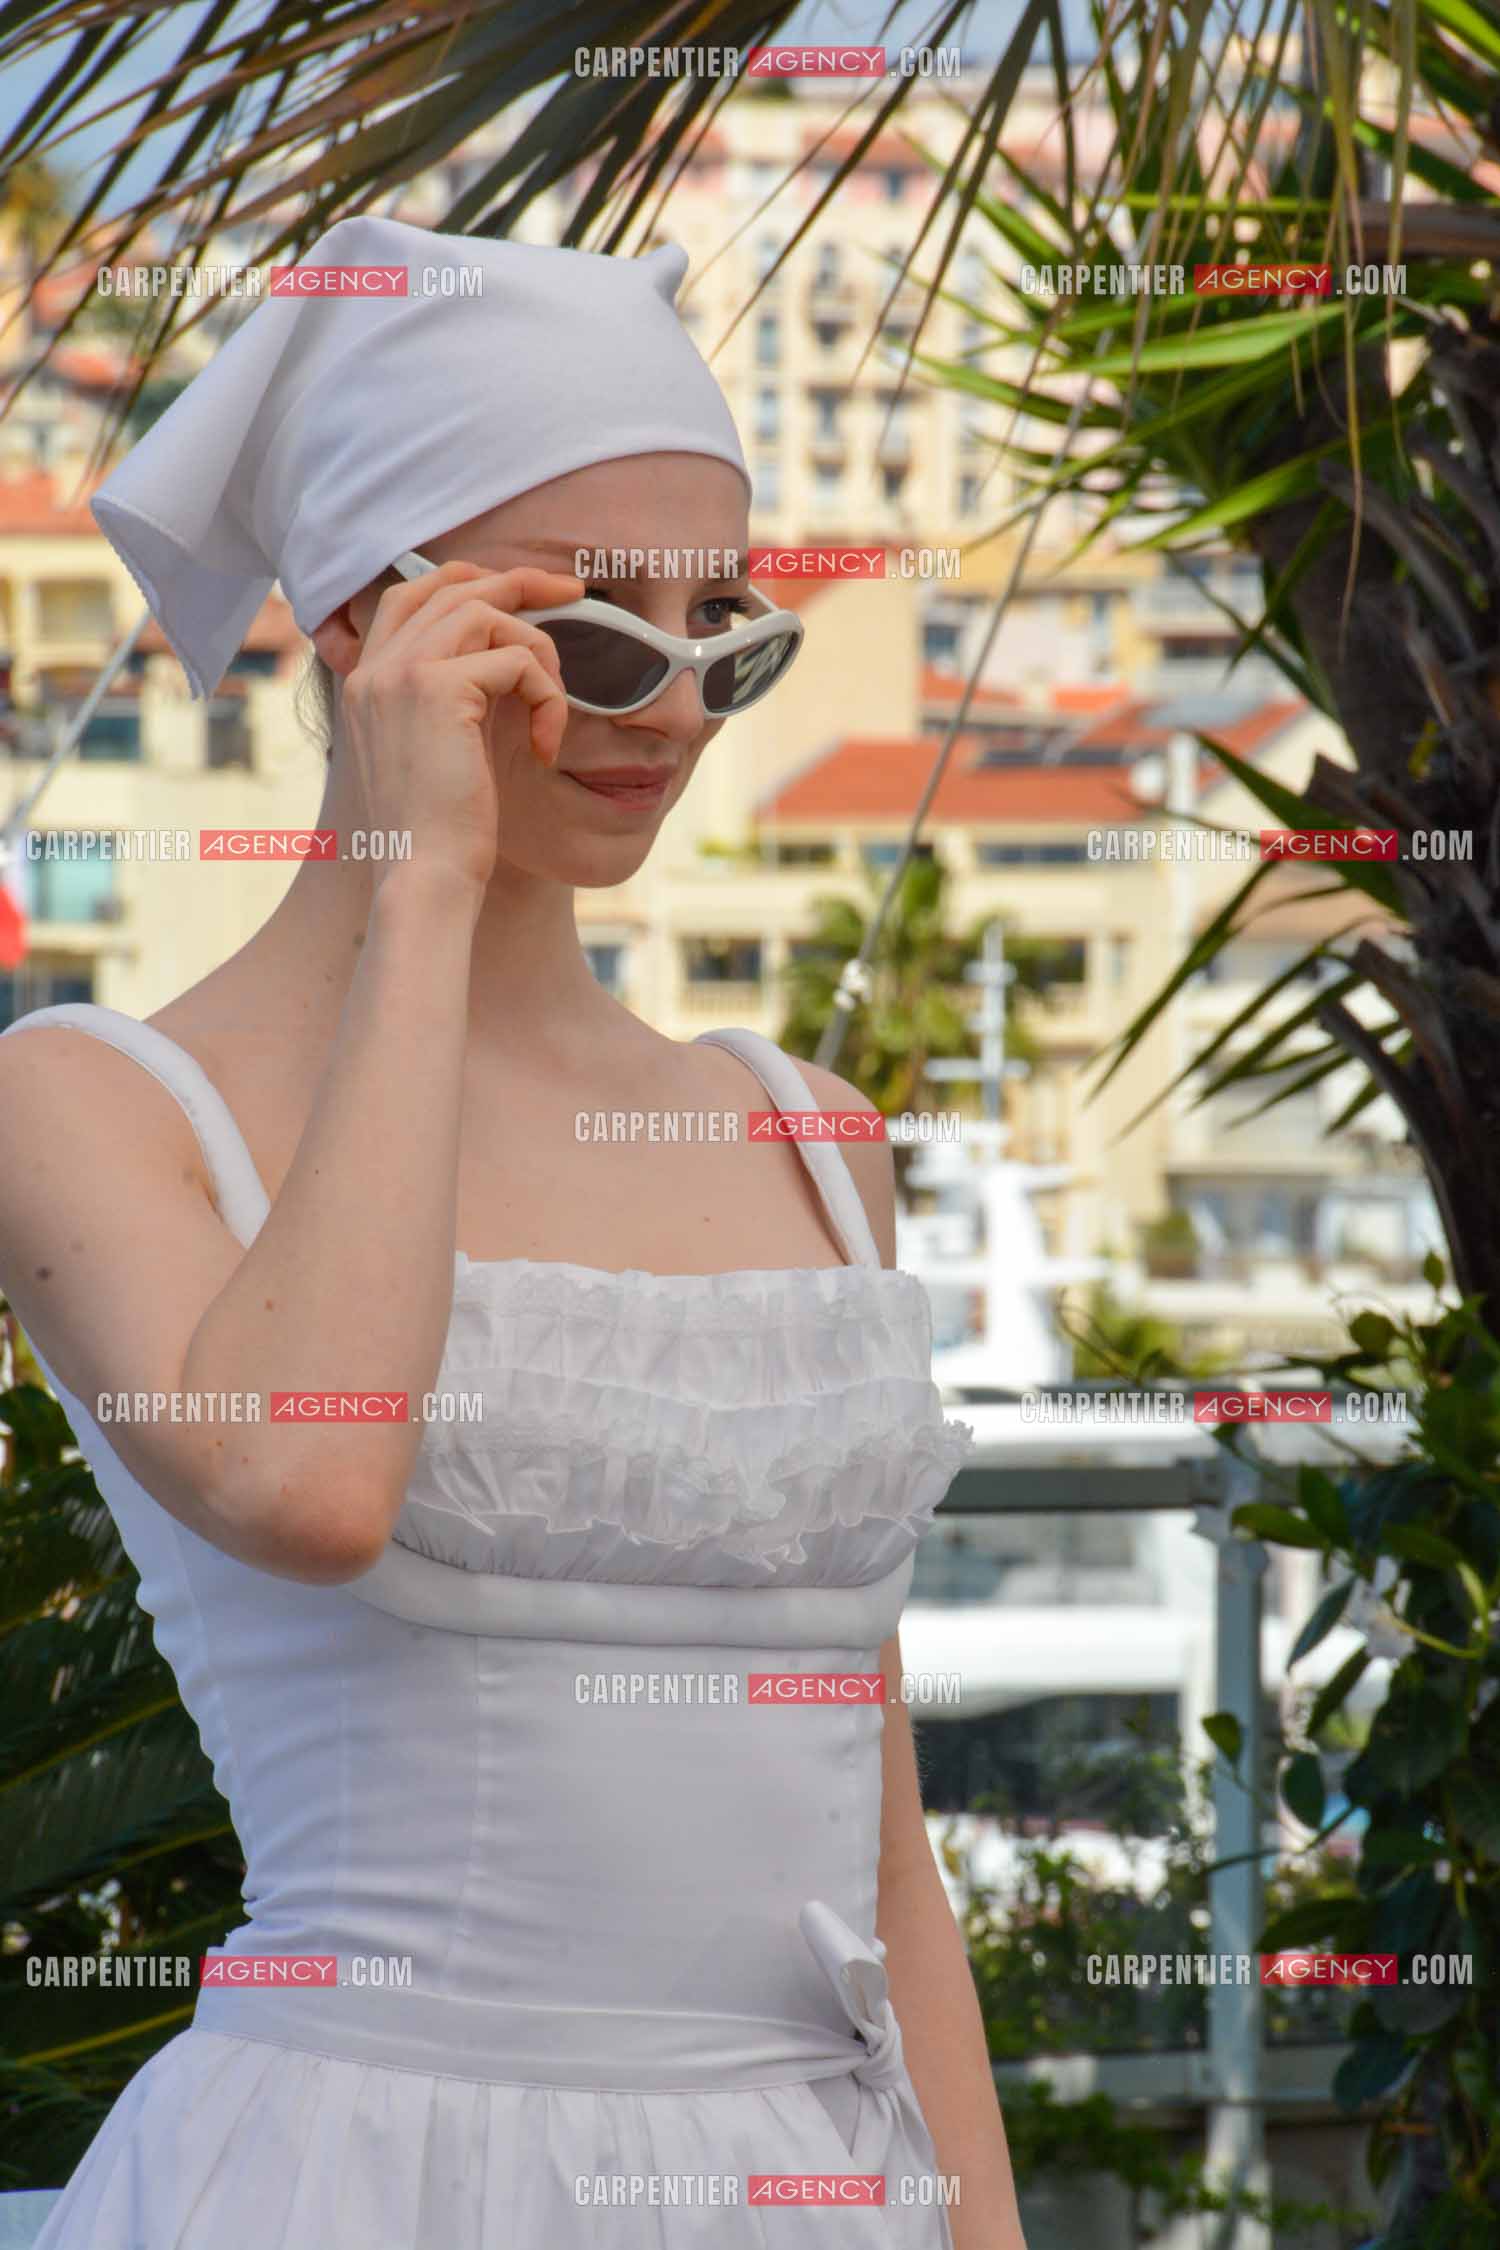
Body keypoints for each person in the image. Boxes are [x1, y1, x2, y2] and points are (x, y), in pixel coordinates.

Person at [0, 216, 1027, 2249]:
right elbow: (308, 1475)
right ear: (374, 634)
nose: (670, 707)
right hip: (366, 2181)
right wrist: (419, 880)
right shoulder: (92, 1106)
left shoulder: (809, 1136)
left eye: (722, 634)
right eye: (594, 634)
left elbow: (883, 1851)